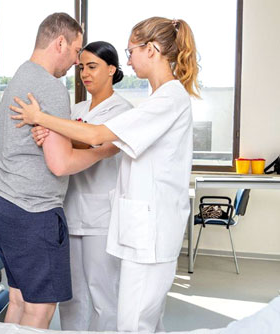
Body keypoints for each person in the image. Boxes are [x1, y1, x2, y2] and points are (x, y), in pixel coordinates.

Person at [10, 16, 199, 333]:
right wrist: (56, 134)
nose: (128, 60)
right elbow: (89, 137)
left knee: (130, 320)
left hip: (150, 230)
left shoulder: (169, 99)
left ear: (151, 50)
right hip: (137, 228)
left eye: (131, 51)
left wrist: (40, 117)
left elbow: (99, 136)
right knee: (139, 319)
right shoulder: (160, 99)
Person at [0, 13, 118, 329]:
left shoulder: (21, 75)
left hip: (4, 204)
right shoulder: (50, 87)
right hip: (33, 211)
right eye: (76, 52)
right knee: (41, 309)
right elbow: (60, 164)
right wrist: (103, 150)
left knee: (19, 300)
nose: (77, 63)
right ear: (60, 42)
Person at [38, 41, 132, 331]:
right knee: (72, 296)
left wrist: (52, 129)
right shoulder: (75, 109)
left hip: (101, 216)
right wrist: (57, 131)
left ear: (112, 69)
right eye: (81, 68)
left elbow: (94, 139)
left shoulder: (123, 110)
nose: (85, 74)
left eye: (92, 66)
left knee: (103, 292)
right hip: (69, 210)